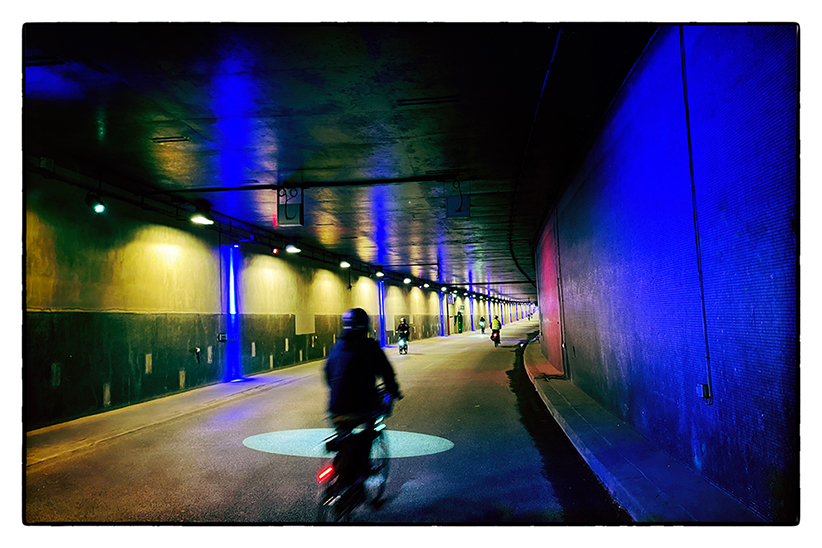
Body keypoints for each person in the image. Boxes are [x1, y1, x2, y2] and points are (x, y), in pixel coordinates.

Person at [324, 308, 402, 491]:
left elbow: (327, 373)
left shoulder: (336, 347)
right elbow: (386, 372)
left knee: (345, 435)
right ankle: (362, 470)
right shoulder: (369, 347)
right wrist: (394, 390)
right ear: (365, 326)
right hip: (361, 407)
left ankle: (342, 468)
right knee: (369, 428)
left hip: (335, 409)